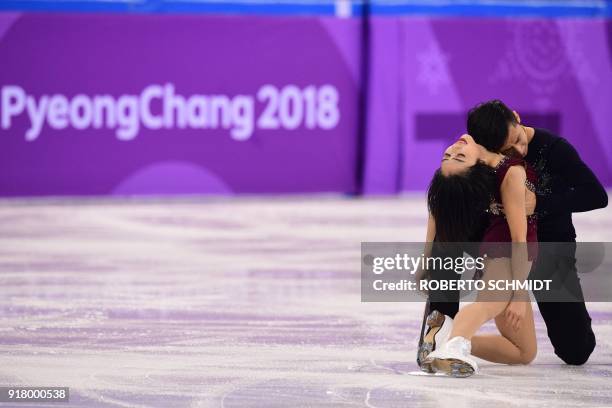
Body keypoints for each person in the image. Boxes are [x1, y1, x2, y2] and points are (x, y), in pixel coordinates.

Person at [467, 100, 608, 365]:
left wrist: (541, 201)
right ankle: (445, 330)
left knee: (576, 351)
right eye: (507, 149)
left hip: (550, 253)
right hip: (504, 253)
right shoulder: (482, 155)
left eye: (518, 139)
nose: (519, 150)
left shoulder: (555, 149)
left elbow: (596, 195)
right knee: (522, 350)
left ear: (517, 117)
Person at [418, 134, 538, 377]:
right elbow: (438, 212)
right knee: (487, 305)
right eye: (453, 156)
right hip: (505, 252)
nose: (453, 148)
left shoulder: (491, 150)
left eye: (454, 155)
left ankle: (447, 342)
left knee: (525, 352)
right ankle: (457, 343)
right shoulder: (497, 171)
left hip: (512, 251)